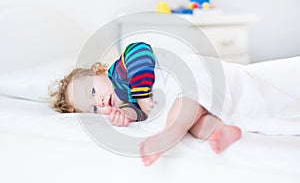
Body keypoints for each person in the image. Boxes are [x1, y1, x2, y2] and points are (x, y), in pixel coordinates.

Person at [49, 42, 242, 166]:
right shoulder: (124, 101)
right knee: (193, 121)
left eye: (92, 91)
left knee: (183, 110)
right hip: (184, 101)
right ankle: (220, 131)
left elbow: (140, 51)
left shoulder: (119, 71)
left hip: (188, 79)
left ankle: (170, 134)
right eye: (93, 108)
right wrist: (127, 116)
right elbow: (140, 113)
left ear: (100, 71)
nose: (99, 102)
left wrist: (141, 94)